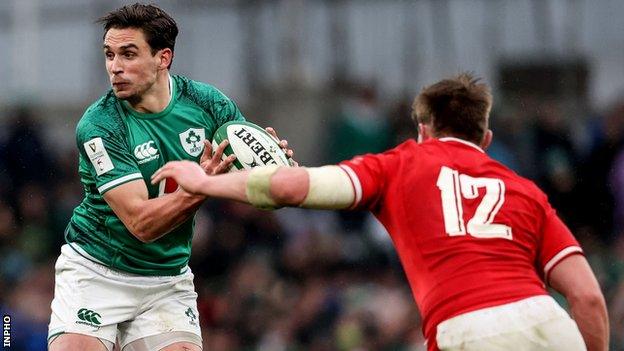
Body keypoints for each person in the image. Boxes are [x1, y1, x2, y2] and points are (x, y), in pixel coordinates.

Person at [151, 73, 609, 351]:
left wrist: (206, 181)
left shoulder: (400, 164)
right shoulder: (526, 191)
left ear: (424, 130)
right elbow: (588, 298)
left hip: (470, 331)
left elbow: (293, 186)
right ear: (485, 141)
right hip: (550, 324)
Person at [47, 3, 292, 351]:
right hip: (96, 272)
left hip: (166, 278)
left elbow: (253, 194)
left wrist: (273, 172)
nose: (115, 67)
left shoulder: (207, 103)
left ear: (163, 58)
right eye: (109, 54)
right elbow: (142, 223)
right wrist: (203, 183)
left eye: (128, 54)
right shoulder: (100, 125)